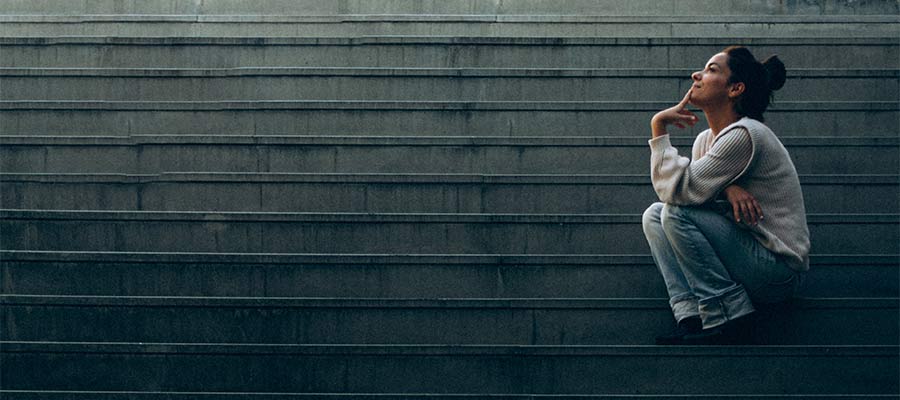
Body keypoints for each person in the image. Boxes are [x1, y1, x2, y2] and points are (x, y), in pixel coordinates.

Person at [642, 46, 810, 345]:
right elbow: (694, 194)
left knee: (675, 213)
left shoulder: (745, 134)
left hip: (777, 270)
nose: (696, 75)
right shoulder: (706, 139)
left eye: (711, 70)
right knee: (654, 215)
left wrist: (658, 127)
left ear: (735, 89)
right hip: (746, 256)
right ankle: (691, 314)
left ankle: (728, 313)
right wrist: (726, 187)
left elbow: (679, 191)